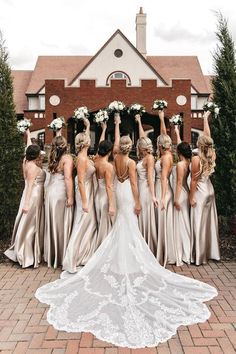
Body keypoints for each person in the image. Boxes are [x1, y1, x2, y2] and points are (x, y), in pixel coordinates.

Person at [35, 116, 217, 349]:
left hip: (116, 195)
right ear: (132, 148)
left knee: (118, 228)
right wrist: (139, 202)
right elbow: (131, 185)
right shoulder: (130, 163)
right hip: (126, 195)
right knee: (128, 227)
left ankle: (115, 259)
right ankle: (127, 261)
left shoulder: (114, 160)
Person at [5, 129, 46, 268]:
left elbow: (28, 147)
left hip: (28, 194)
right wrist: (27, 204)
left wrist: (28, 135)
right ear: (36, 156)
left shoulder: (25, 161)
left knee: (26, 223)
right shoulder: (33, 167)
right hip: (32, 196)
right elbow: (29, 186)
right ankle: (26, 254)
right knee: (30, 224)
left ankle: (28, 250)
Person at [62, 118, 97, 272]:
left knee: (89, 224)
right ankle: (72, 258)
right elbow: (81, 181)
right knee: (81, 222)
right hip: (84, 192)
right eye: (89, 139)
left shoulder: (84, 155)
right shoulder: (82, 159)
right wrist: (84, 202)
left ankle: (84, 254)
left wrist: (87, 125)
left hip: (88, 190)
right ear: (86, 143)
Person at [190, 111, 220, 265]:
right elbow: (208, 137)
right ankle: (211, 252)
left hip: (200, 192)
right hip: (210, 190)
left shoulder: (196, 158)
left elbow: (194, 181)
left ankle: (199, 256)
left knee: (198, 222)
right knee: (208, 223)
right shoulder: (210, 153)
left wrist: (191, 197)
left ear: (199, 144)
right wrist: (204, 119)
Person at [44, 130, 74, 268]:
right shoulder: (67, 158)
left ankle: (53, 255)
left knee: (53, 223)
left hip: (50, 192)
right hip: (61, 192)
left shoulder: (52, 157)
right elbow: (67, 178)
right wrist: (70, 197)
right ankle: (62, 256)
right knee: (61, 223)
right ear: (65, 145)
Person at [135, 114, 158, 254]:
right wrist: (139, 122)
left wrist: (153, 195)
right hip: (140, 187)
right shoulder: (145, 156)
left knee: (144, 216)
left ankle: (147, 245)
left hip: (145, 190)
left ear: (142, 148)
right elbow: (143, 138)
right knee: (141, 216)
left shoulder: (149, 158)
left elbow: (150, 177)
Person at [155, 110, 175, 266]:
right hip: (158, 187)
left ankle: (165, 252)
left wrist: (162, 197)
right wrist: (162, 119)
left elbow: (163, 178)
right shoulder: (165, 153)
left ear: (160, 145)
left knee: (162, 220)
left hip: (163, 190)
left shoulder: (167, 158)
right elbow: (163, 134)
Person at [94, 121, 115, 249]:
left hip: (97, 196)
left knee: (100, 223)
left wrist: (103, 129)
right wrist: (112, 204)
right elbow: (109, 186)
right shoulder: (108, 166)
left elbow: (99, 148)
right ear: (109, 151)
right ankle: (105, 249)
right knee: (106, 225)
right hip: (105, 198)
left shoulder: (95, 161)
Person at [172, 125, 192, 266]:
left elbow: (179, 183)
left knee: (181, 224)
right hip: (187, 193)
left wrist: (176, 199)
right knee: (185, 222)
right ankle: (188, 250)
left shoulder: (180, 165)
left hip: (181, 194)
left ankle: (182, 251)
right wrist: (177, 131)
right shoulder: (188, 162)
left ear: (179, 151)